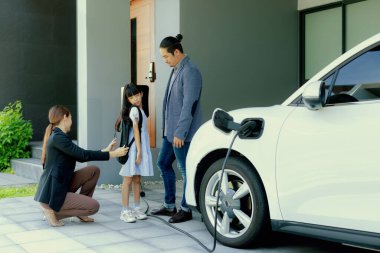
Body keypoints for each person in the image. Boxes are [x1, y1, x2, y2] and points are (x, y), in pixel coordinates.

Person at [34, 105, 129, 227]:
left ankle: (78, 211)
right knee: (93, 207)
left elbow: (80, 153)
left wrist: (105, 151)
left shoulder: (59, 137)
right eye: (71, 118)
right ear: (65, 117)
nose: (72, 121)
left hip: (62, 183)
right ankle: (51, 210)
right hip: (54, 192)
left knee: (93, 171)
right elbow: (83, 155)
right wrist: (113, 154)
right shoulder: (58, 138)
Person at [151, 34, 202, 223]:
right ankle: (169, 205)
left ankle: (185, 209)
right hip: (170, 132)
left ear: (177, 52)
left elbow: (190, 104)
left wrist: (180, 131)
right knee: (163, 163)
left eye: (166, 56)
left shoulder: (191, 71)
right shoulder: (176, 69)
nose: (164, 60)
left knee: (186, 170)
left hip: (182, 134)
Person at [119, 83, 154, 223]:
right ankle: (125, 210)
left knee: (136, 179)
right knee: (128, 179)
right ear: (128, 99)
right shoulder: (134, 110)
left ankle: (137, 208)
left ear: (141, 94)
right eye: (131, 97)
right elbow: (136, 131)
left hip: (139, 148)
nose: (135, 99)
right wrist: (139, 151)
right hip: (134, 149)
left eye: (136, 95)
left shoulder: (141, 110)